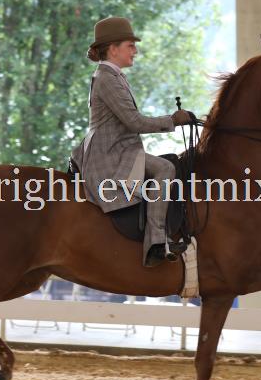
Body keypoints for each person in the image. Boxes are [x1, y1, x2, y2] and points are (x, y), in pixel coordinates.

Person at [71, 16, 193, 267]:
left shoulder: (114, 76)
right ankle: (156, 242)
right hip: (109, 155)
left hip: (119, 150)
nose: (135, 51)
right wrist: (173, 120)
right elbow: (134, 122)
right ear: (113, 49)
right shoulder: (106, 78)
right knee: (165, 168)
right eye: (130, 45)